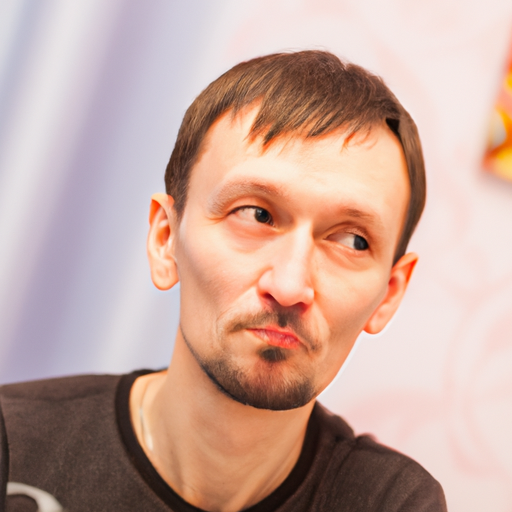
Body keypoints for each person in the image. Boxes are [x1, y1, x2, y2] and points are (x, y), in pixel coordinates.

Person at [0, 50, 447, 512]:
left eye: (352, 241)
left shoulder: (391, 503)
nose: (290, 286)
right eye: (256, 214)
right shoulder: (14, 443)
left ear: (389, 294)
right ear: (165, 238)